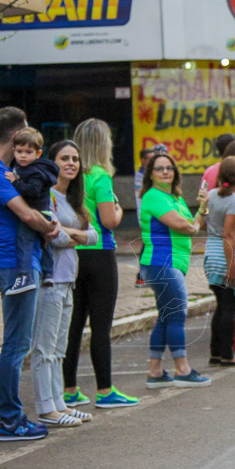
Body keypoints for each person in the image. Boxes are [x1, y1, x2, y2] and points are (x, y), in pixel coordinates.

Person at [0, 107, 60, 440]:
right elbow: (27, 215)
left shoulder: (2, 168)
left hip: (18, 260)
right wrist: (49, 227)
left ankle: (11, 418)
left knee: (18, 344)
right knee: (16, 346)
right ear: (17, 136)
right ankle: (10, 421)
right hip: (15, 263)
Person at [63, 119, 138, 409]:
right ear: (104, 144)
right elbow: (108, 221)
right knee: (101, 326)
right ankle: (105, 391)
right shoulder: (100, 176)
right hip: (99, 252)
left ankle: (69, 389)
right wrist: (119, 210)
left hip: (72, 252)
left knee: (73, 325)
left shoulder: (70, 174)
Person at [31, 140, 98, 427]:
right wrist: (74, 236)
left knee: (60, 347)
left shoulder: (72, 199)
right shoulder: (45, 196)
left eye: (75, 159)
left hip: (68, 280)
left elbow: (94, 237)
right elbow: (54, 237)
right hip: (50, 280)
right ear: (51, 161)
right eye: (64, 158)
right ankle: (46, 408)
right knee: (43, 347)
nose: (71, 163)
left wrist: (68, 232)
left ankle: (60, 404)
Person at [139, 153, 210, 388]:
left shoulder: (174, 198)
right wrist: (192, 223)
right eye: (159, 169)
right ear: (150, 174)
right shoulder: (154, 196)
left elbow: (194, 226)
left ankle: (155, 371)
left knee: (166, 316)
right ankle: (182, 369)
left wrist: (202, 208)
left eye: (169, 168)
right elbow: (183, 226)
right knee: (177, 315)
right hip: (161, 263)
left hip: (171, 264)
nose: (166, 172)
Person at [203, 156, 235, 367]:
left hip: (211, 255)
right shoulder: (233, 202)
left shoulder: (211, 195)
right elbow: (228, 235)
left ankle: (215, 352)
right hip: (226, 256)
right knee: (229, 309)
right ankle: (227, 354)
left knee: (221, 305)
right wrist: (232, 267)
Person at [5, 127, 59, 293]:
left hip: (36, 212)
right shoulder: (25, 167)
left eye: (28, 152)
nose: (23, 155)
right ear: (13, 150)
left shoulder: (35, 171)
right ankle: (49, 273)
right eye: (19, 151)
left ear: (38, 153)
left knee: (24, 241)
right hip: (44, 212)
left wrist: (15, 182)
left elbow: (33, 191)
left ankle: (24, 275)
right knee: (44, 243)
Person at [134, 147, 156, 287]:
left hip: (150, 215)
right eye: (149, 158)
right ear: (142, 160)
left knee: (149, 245)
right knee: (147, 246)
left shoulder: (148, 174)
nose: (151, 161)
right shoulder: (141, 176)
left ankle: (146, 275)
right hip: (145, 216)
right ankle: (142, 276)